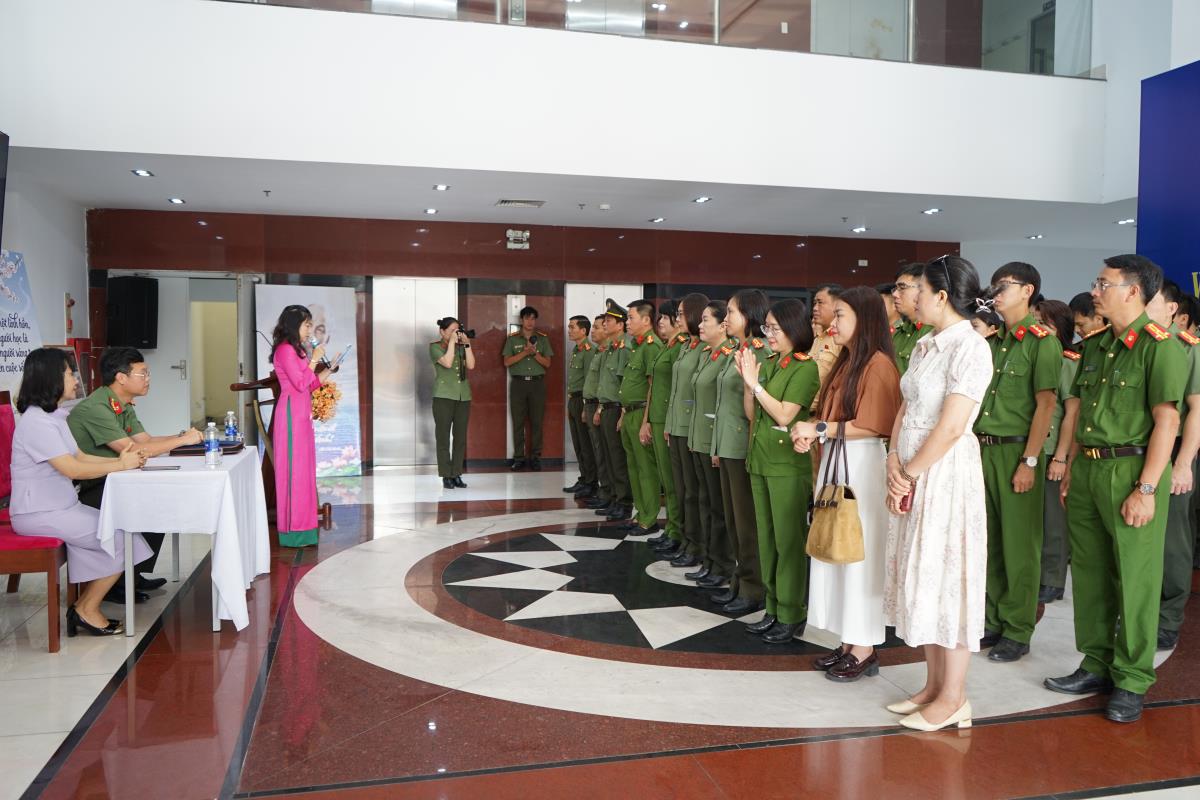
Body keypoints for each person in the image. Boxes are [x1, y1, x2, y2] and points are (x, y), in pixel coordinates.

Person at [1047, 254, 1186, 724]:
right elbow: (1082, 412)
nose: (1095, 291)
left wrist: (1146, 488)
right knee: (1090, 574)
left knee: (1135, 578)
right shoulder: (1096, 345)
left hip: (1131, 472)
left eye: (1103, 283)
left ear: (1133, 291)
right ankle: (1096, 663)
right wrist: (1070, 467)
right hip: (1088, 469)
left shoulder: (1160, 347)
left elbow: (1167, 421)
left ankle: (1131, 678)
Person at [883, 254, 994, 732]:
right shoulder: (925, 345)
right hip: (911, 469)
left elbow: (950, 427)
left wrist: (908, 473)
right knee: (920, 575)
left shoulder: (971, 347)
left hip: (944, 475)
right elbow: (905, 408)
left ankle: (954, 697)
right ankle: (931, 686)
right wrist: (893, 458)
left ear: (942, 295)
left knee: (949, 578)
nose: (913, 299)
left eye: (920, 291)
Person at [792, 286, 901, 681]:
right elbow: (830, 417)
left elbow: (873, 425)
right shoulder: (847, 361)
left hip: (862, 465)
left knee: (858, 554)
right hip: (838, 460)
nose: (832, 323)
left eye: (840, 315)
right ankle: (847, 641)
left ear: (864, 319)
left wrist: (819, 429)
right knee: (835, 549)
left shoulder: (878, 364)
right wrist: (813, 432)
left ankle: (865, 646)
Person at [11, 348, 152, 636]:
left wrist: (122, 462)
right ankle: (86, 609)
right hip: (39, 513)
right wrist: (120, 464)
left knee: (124, 531)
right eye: (69, 374)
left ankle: (85, 606)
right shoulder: (36, 423)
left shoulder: (53, 416)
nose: (76, 380)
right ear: (51, 378)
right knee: (120, 538)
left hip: (61, 507)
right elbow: (72, 469)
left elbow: (80, 456)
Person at [974, 262, 1063, 663]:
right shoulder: (993, 342)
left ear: (1028, 291)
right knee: (990, 540)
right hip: (983, 449)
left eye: (1004, 286)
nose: (996, 293)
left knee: (1020, 545)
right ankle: (993, 618)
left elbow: (1046, 405)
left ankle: (1018, 628)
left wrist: (1029, 461)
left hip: (1016, 451)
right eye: (994, 286)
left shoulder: (1041, 342)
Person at [68, 346, 203, 602]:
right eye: (143, 374)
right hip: (89, 486)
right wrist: (182, 441)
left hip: (113, 478)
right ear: (121, 377)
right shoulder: (95, 408)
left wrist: (182, 437)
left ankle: (133, 575)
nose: (148, 379)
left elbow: (146, 440)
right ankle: (117, 583)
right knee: (149, 501)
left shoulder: (121, 403)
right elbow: (133, 449)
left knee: (160, 499)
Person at [739, 299, 819, 644]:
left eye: (774, 328)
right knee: (767, 540)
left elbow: (785, 414)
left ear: (794, 329)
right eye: (767, 327)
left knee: (788, 543)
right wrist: (748, 384)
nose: (768, 334)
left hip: (787, 466)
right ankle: (772, 608)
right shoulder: (770, 363)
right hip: (761, 460)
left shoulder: (804, 368)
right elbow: (752, 414)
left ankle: (791, 612)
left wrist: (756, 386)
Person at [709, 289, 771, 614]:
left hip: (744, 447)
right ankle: (739, 580)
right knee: (734, 520)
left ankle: (753, 588)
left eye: (731, 312)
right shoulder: (737, 349)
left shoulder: (759, 352)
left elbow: (756, 409)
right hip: (728, 446)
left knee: (747, 523)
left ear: (749, 315)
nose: (726, 318)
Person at [1146, 281, 1200, 652]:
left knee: (1171, 539)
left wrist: (1183, 463)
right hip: (1136, 449)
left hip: (1174, 449)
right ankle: (1139, 610)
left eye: (1152, 302)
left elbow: (1196, 410)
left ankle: (1168, 617)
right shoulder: (1132, 345)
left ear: (1172, 309)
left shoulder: (1187, 347)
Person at [268, 305, 335, 548]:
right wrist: (314, 358)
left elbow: (310, 384)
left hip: (301, 414)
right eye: (306, 325)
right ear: (293, 325)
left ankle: (306, 530)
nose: (309, 329)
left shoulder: (297, 351)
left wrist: (329, 369)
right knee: (294, 472)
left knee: (304, 472)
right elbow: (298, 383)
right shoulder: (285, 350)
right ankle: (293, 532)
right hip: (290, 415)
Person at [1031, 299, 1081, 605]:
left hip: (1052, 452)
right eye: (1035, 323)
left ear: (1060, 329)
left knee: (1053, 521)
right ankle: (1036, 574)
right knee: (1032, 520)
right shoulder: (1033, 356)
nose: (1038, 330)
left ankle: (1052, 579)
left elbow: (1072, 414)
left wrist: (1061, 457)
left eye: (1044, 325)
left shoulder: (1067, 362)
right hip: (1031, 450)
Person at [659, 294, 709, 567]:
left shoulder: (704, 348)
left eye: (680, 314)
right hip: (677, 426)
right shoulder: (687, 346)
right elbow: (675, 392)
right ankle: (685, 540)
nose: (677, 318)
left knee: (693, 492)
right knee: (680, 489)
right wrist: (669, 424)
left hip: (691, 428)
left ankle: (696, 546)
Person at [687, 300, 733, 586]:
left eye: (706, 320)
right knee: (705, 501)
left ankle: (722, 564)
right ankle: (708, 559)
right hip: (700, 439)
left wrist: (715, 444)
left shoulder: (728, 355)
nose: (700, 325)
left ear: (722, 325)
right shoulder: (708, 354)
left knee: (718, 507)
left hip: (715, 441)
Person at [643, 300, 688, 553]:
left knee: (672, 481)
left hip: (669, 419)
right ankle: (671, 527)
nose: (660, 321)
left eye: (665, 317)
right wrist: (648, 419)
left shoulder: (680, 346)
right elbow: (654, 387)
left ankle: (676, 530)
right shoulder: (667, 346)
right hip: (659, 417)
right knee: (666, 478)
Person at [618, 299, 664, 535]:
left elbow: (652, 387)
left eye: (631, 318)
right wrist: (623, 414)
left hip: (641, 414)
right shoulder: (637, 346)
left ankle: (649, 517)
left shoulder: (651, 346)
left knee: (646, 469)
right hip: (629, 413)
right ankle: (640, 511)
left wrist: (646, 421)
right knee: (634, 467)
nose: (627, 322)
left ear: (646, 320)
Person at [502, 305, 553, 471]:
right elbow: (507, 362)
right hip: (518, 384)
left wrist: (535, 354)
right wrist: (524, 353)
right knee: (518, 422)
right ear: (521, 320)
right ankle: (519, 458)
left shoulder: (542, 339)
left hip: (537, 384)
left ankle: (536, 457)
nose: (530, 322)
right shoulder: (512, 339)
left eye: (533, 319)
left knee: (537, 421)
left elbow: (547, 363)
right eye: (527, 318)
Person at [595, 300, 633, 521]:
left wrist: (623, 413)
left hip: (618, 408)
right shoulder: (611, 348)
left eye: (609, 320)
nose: (605, 323)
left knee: (618, 459)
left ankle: (624, 502)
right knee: (610, 457)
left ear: (620, 325)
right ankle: (614, 498)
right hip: (607, 407)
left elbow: (624, 383)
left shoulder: (624, 349)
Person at [431, 316, 475, 490]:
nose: (456, 334)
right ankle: (446, 474)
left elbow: (471, 365)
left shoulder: (461, 347)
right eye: (452, 331)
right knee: (443, 437)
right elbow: (448, 363)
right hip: (443, 397)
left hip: (463, 396)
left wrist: (467, 345)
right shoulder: (435, 347)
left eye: (458, 330)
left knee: (460, 437)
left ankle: (456, 473)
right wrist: (451, 343)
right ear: (442, 332)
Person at [563, 315, 597, 496]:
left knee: (586, 444)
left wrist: (585, 406)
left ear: (583, 330)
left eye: (572, 327)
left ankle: (591, 482)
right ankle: (584, 477)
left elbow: (589, 381)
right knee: (578, 443)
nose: (569, 330)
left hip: (583, 401)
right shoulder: (577, 350)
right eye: (569, 327)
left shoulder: (589, 351)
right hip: (573, 400)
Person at [582, 314, 611, 508]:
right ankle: (604, 491)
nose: (593, 331)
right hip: (592, 404)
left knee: (604, 454)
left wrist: (599, 408)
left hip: (601, 406)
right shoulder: (600, 352)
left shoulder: (609, 352)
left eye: (598, 327)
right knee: (598, 452)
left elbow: (606, 384)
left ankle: (608, 493)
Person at [891, 264, 932, 375]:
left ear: (922, 290)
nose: (894, 294)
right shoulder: (898, 332)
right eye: (895, 289)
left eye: (902, 288)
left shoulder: (932, 332)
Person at [808, 284, 843, 404]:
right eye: (814, 303)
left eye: (820, 303)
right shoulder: (819, 338)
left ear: (837, 305)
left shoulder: (841, 339)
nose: (815, 308)